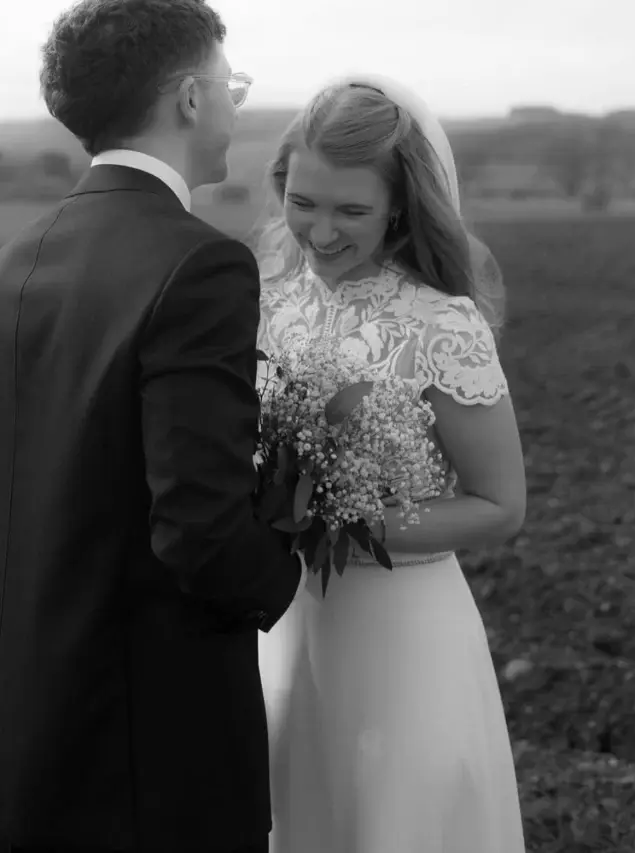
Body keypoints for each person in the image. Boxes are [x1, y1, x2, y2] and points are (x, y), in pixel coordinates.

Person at [0, 2, 305, 852]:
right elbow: (199, 527)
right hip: (154, 745)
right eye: (230, 87)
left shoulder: (21, 256)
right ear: (190, 99)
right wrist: (286, 567)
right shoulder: (199, 264)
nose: (234, 108)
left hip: (35, 715)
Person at [256, 75, 527, 853]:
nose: (320, 231)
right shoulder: (271, 301)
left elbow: (500, 506)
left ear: (400, 206)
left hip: (405, 634)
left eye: (351, 210)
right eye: (303, 202)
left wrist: (342, 519)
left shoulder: (443, 324)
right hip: (288, 622)